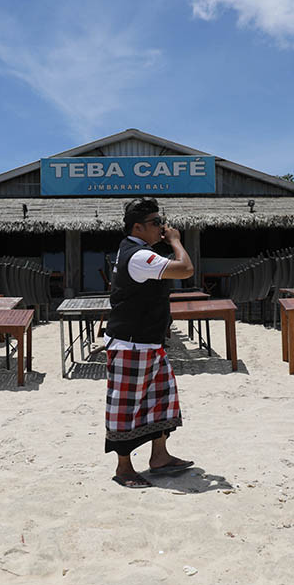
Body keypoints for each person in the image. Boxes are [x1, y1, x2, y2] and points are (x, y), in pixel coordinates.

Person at [103, 197, 195, 489]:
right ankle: (123, 467)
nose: (162, 227)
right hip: (132, 344)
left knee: (162, 402)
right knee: (125, 407)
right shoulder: (140, 256)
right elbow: (185, 269)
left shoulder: (136, 251)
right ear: (138, 227)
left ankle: (160, 457)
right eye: (156, 222)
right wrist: (177, 241)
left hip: (147, 342)